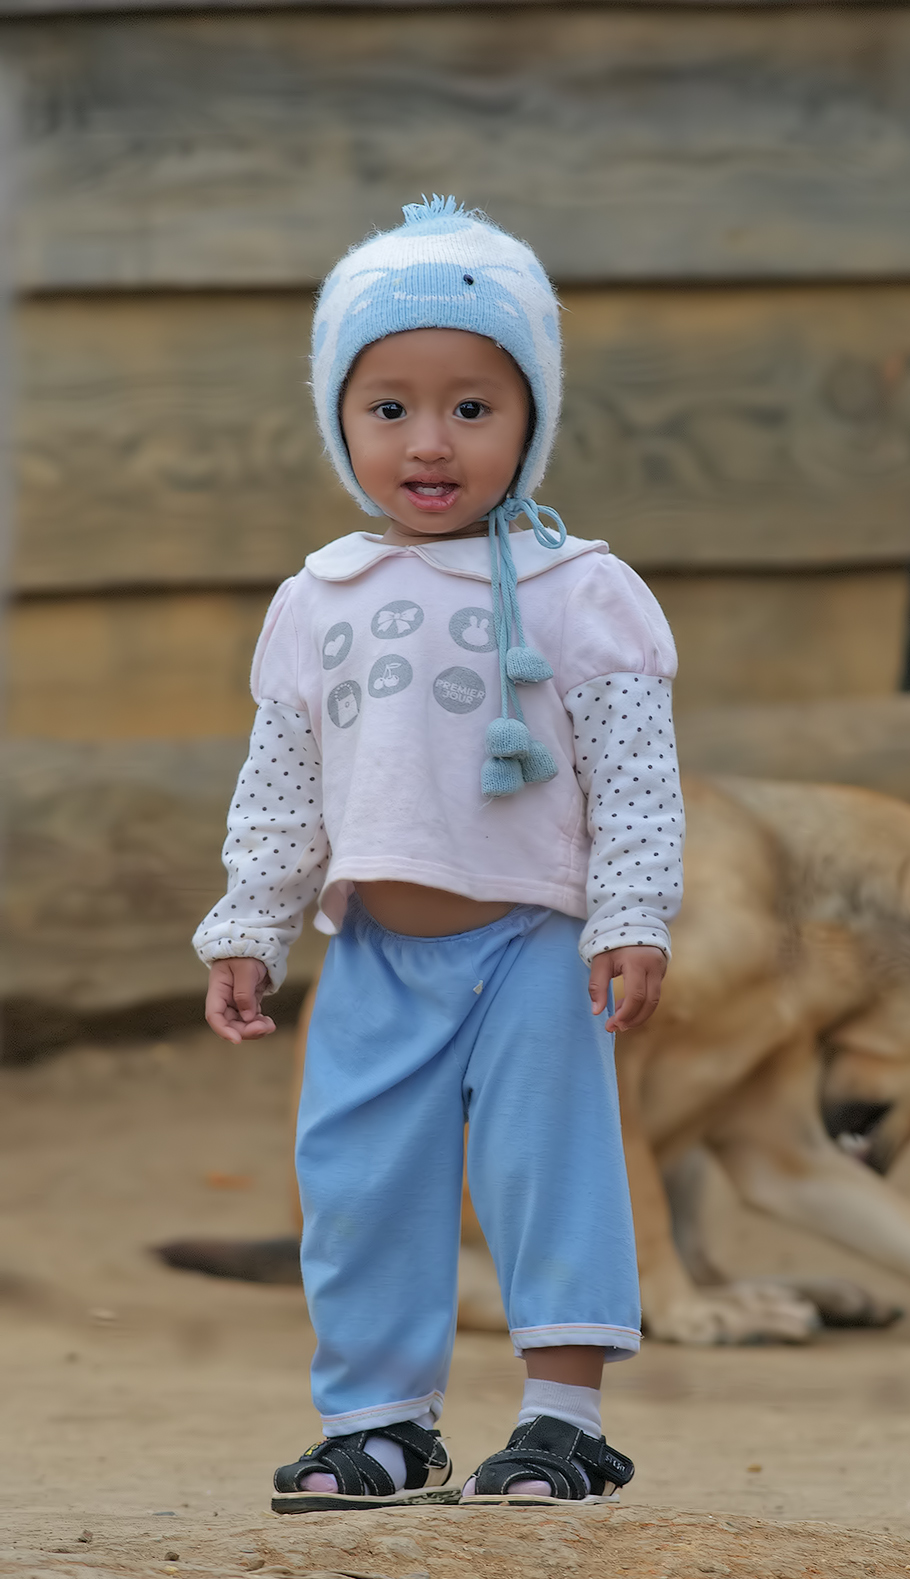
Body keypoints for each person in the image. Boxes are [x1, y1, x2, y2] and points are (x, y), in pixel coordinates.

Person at [193, 198, 684, 1509]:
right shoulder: (319, 598)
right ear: (338, 421)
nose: (429, 440)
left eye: (474, 406)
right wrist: (248, 924)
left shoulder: (581, 589)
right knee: (355, 1183)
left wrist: (630, 914)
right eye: (389, 405)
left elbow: (637, 777)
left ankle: (562, 1420)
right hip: (373, 955)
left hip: (530, 942)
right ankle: (380, 1424)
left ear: (532, 420)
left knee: (547, 1169)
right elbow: (282, 782)